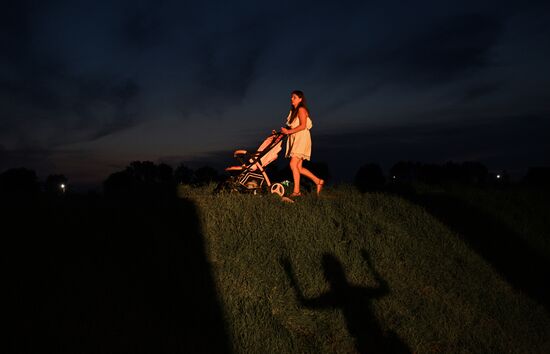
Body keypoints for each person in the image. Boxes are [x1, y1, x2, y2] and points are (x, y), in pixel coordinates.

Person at [280, 90, 324, 197]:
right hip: (296, 139)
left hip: (302, 139)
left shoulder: (301, 109)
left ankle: (296, 192)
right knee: (298, 168)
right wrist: (281, 133)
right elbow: (291, 126)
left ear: (300, 99)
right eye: (291, 97)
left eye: (294, 97)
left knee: (292, 164)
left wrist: (289, 132)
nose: (292, 99)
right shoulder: (293, 112)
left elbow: (303, 126)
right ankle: (318, 181)